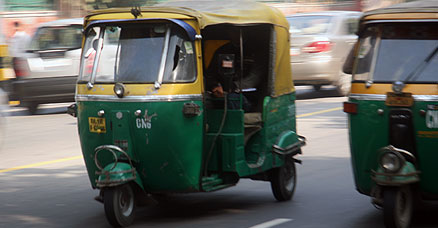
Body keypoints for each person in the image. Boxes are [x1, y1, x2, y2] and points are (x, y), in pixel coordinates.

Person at [205, 29, 264, 112]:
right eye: (232, 31)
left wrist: (234, 87)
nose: (235, 34)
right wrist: (214, 86)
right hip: (222, 93)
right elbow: (210, 74)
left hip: (248, 96)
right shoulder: (222, 50)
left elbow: (255, 77)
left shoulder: (255, 51)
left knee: (233, 98)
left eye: (239, 31)